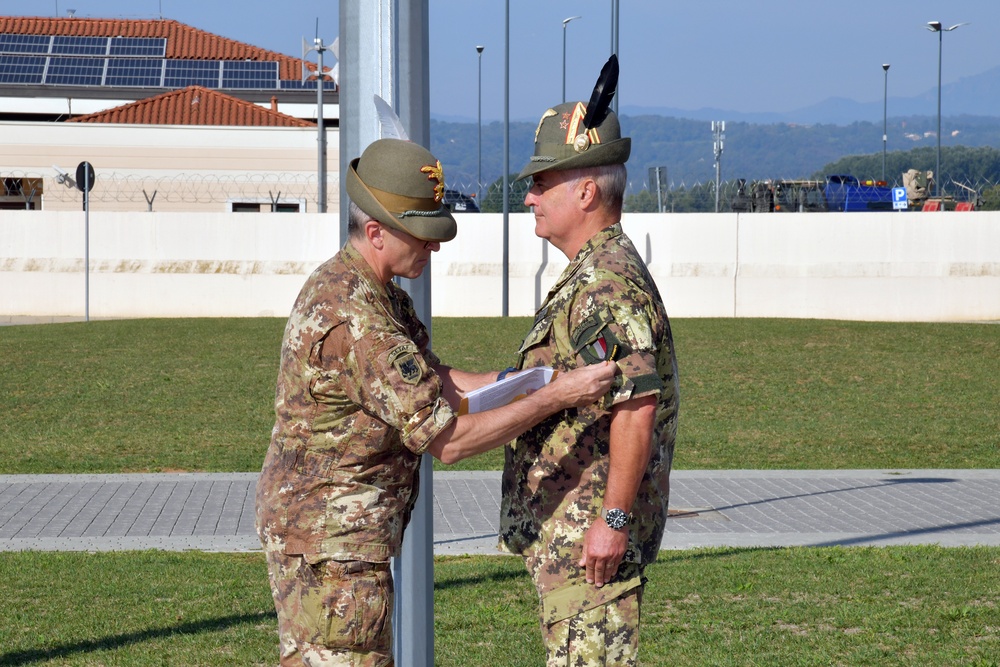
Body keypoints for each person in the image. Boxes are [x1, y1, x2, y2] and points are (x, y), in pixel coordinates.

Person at [255, 137, 617, 667]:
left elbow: (436, 381)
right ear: (375, 233)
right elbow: (449, 440)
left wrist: (527, 380)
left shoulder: (377, 292)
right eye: (421, 236)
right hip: (331, 547)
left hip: (338, 539)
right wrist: (557, 396)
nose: (434, 247)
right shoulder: (358, 319)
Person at [498, 95, 680, 666]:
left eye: (541, 182)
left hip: (590, 544)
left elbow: (637, 405)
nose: (528, 195)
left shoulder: (606, 284)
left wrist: (613, 520)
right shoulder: (591, 274)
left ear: (585, 192)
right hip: (573, 534)